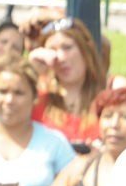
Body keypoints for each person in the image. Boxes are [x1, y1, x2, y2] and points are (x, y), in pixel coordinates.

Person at [31, 17, 108, 148]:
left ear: (86, 49)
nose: (60, 57)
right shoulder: (36, 96)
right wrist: (32, 72)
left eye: (67, 47)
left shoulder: (109, 94)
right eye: (52, 50)